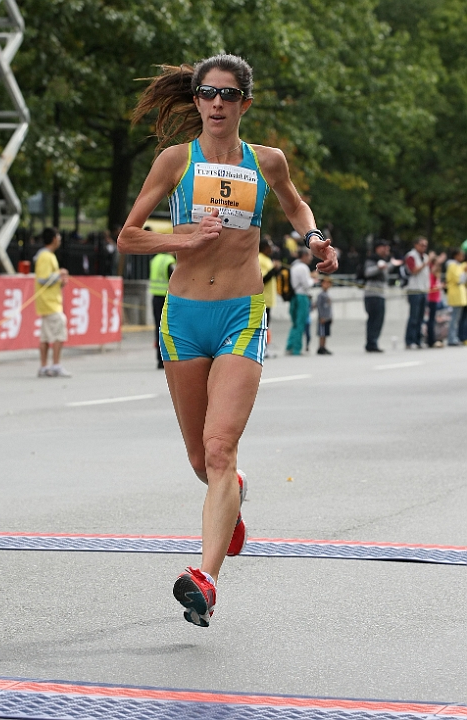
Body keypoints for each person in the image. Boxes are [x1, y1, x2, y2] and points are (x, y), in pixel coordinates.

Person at [117, 54, 338, 627]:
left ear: (245, 102)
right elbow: (129, 238)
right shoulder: (174, 161)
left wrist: (314, 238)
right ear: (196, 101)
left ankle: (205, 580)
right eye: (206, 94)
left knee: (219, 447)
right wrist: (181, 241)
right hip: (183, 317)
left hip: (243, 312)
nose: (216, 104)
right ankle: (233, 494)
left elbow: (296, 208)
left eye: (228, 94)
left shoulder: (267, 162)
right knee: (201, 460)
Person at [34, 227, 71, 378]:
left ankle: (44, 367)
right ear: (54, 238)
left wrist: (60, 281)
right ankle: (55, 365)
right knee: (58, 334)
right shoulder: (46, 256)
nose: (60, 239)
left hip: (48, 302)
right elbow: (43, 279)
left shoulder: (48, 256)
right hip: (50, 303)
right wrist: (59, 274)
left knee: (45, 336)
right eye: (59, 236)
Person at [363, 239, 395, 352]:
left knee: (379, 320)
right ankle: (371, 343)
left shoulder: (384, 260)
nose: (386, 250)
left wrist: (390, 265)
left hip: (381, 294)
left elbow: (385, 275)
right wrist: (379, 268)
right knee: (374, 319)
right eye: (384, 247)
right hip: (372, 294)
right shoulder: (372, 259)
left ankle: (374, 341)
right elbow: (367, 272)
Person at [286, 246, 317, 356]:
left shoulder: (294, 266)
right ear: (304, 256)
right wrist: (314, 280)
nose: (311, 258)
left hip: (294, 296)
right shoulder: (303, 267)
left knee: (295, 323)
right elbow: (306, 284)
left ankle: (289, 345)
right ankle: (297, 349)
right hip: (302, 296)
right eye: (309, 255)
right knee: (300, 323)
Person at [149, 251, 175, 368]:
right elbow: (174, 278)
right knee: (168, 329)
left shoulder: (155, 259)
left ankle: (159, 359)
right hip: (167, 297)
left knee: (158, 328)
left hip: (155, 297)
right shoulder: (170, 261)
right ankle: (166, 358)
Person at [404, 237, 430, 349]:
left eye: (425, 245)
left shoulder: (426, 257)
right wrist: (425, 263)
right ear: (415, 245)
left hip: (424, 289)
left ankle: (418, 339)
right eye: (421, 245)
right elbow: (413, 271)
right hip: (414, 289)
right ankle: (410, 340)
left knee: (421, 317)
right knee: (413, 317)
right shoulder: (411, 256)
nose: (424, 247)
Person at [258, 236, 281, 357]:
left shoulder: (267, 259)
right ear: (264, 248)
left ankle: (265, 347)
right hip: (263, 298)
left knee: (267, 324)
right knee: (263, 325)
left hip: (269, 298)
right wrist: (273, 270)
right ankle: (262, 348)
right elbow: (262, 279)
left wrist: (276, 270)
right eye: (270, 246)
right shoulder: (260, 259)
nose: (271, 249)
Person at [445, 248, 467, 346]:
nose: (462, 257)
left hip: (461, 295)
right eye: (460, 255)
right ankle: (451, 338)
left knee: (458, 319)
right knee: (454, 319)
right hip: (455, 295)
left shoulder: (459, 265)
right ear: (455, 255)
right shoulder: (452, 265)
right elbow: (459, 279)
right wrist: (465, 272)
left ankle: (456, 337)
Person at [427, 253, 446, 348]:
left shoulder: (435, 275)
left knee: (434, 320)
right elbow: (431, 287)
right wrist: (437, 261)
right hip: (431, 299)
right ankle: (430, 340)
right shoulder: (431, 274)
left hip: (436, 299)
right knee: (431, 320)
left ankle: (433, 339)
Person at [317, 277, 333, 355]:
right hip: (322, 318)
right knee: (322, 333)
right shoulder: (321, 295)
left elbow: (330, 307)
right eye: (325, 283)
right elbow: (319, 306)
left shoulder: (328, 294)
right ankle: (321, 347)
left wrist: (330, 317)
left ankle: (324, 346)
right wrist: (321, 316)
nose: (326, 285)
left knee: (325, 333)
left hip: (327, 317)